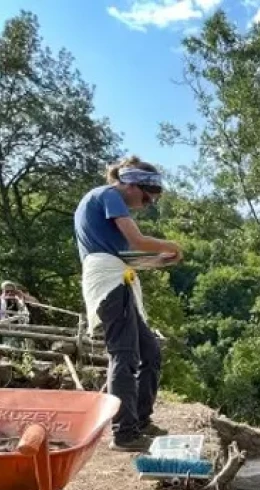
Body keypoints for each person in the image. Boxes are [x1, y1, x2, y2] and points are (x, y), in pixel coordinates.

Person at [74, 155, 181, 450]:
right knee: (124, 354)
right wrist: (172, 246)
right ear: (132, 184)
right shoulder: (109, 195)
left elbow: (131, 256)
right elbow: (137, 241)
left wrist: (161, 261)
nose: (145, 206)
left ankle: (139, 420)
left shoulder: (104, 206)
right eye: (147, 198)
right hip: (109, 282)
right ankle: (124, 433)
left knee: (150, 352)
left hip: (118, 277)